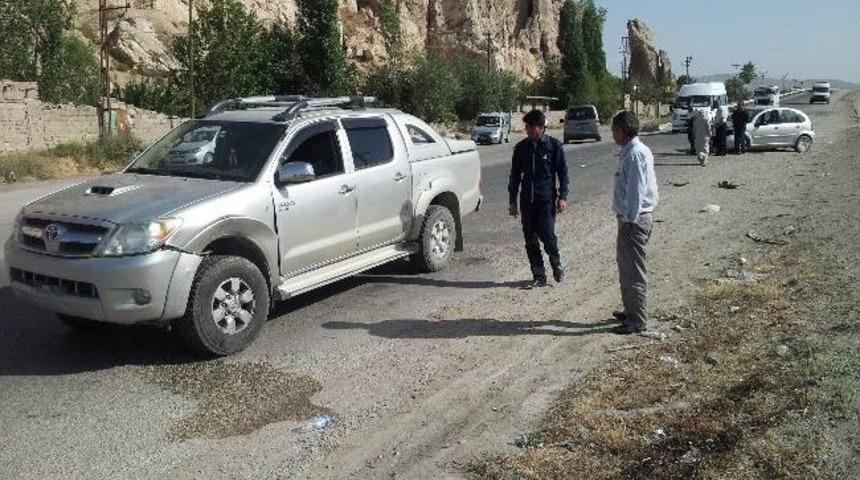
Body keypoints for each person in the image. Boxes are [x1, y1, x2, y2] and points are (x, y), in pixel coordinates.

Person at [508, 109, 569, 289]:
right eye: (526, 127)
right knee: (530, 240)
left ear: (541, 128)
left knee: (548, 235)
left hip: (546, 200)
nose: (528, 131)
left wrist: (562, 197)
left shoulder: (553, 146)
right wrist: (512, 201)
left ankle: (556, 264)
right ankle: (539, 275)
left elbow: (563, 174)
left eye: (531, 127)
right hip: (527, 201)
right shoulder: (521, 148)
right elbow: (514, 176)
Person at [610, 111, 658, 334]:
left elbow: (635, 191)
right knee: (626, 268)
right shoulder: (632, 152)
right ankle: (631, 310)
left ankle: (637, 320)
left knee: (634, 271)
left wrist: (630, 218)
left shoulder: (635, 154)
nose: (613, 135)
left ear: (621, 131)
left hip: (635, 220)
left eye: (614, 131)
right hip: (631, 218)